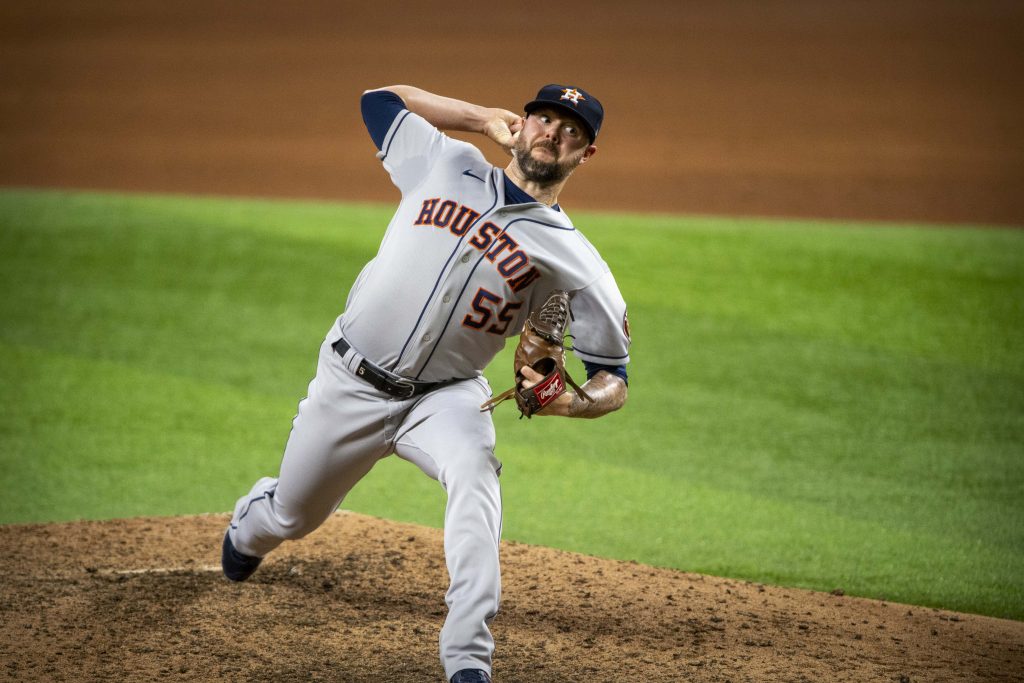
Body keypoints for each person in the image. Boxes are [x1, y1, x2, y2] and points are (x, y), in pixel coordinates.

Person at [222, 83, 631, 683]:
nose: (553, 134)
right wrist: (475, 118)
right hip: (349, 381)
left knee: (475, 474)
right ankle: (252, 524)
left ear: (585, 154)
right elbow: (378, 100)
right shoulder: (446, 162)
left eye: (571, 131)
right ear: (521, 125)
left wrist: (569, 404)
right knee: (291, 515)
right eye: (544, 119)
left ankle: (468, 659)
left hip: (446, 397)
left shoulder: (578, 262)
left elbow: (612, 378)